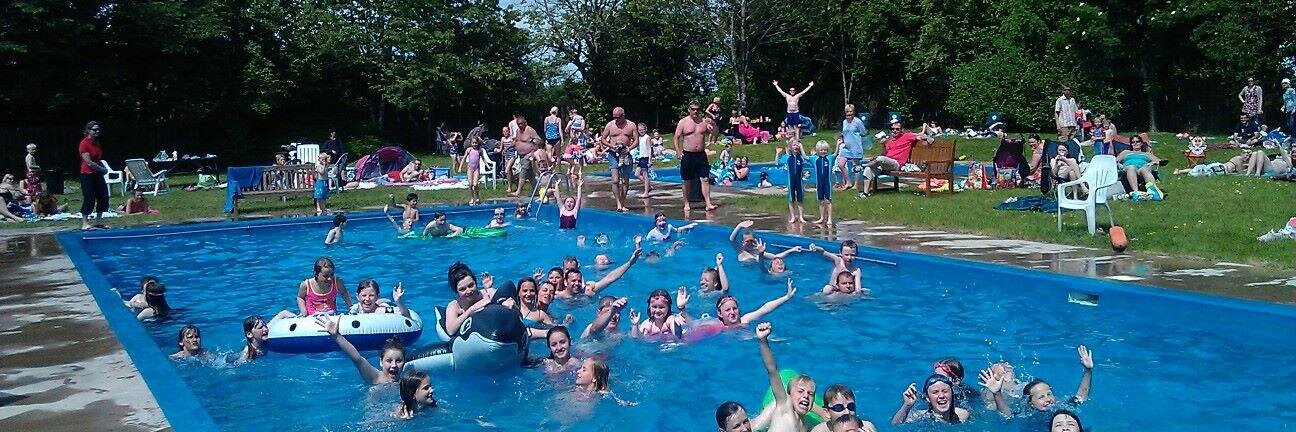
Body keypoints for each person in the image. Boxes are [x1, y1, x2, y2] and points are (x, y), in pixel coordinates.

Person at [753, 322, 815, 432]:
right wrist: (763, 341)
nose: (806, 395)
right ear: (789, 394)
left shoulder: (806, 427)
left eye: (810, 394)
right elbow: (772, 370)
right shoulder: (785, 406)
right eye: (800, 391)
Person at [316, 315, 407, 385]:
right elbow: (357, 359)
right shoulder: (375, 377)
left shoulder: (407, 382)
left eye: (398, 361)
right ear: (381, 362)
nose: (394, 365)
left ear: (404, 362)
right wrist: (336, 336)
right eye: (389, 360)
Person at [1018, 345, 1095, 414]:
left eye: (1049, 394)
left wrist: (1088, 370)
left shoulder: (1061, 408)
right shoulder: (1024, 416)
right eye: (1041, 397)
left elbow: (1081, 396)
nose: (1048, 399)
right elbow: (1007, 414)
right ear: (1031, 403)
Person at [859, 121, 925, 197]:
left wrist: (927, 139)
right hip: (886, 163)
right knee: (868, 169)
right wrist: (884, 145)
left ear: (901, 130)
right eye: (893, 129)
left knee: (879, 159)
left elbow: (920, 136)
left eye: (897, 129)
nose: (894, 131)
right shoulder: (890, 140)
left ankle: (862, 166)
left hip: (897, 164)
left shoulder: (907, 136)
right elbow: (884, 154)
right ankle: (865, 193)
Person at [674, 101, 720, 212]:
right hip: (688, 154)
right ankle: (686, 203)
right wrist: (679, 152)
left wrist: (713, 124)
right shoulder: (683, 122)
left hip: (700, 154)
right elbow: (676, 137)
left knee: (705, 178)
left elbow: (715, 134)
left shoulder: (703, 122)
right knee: (687, 180)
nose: (695, 111)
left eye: (697, 109)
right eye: (693, 109)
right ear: (689, 109)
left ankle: (708, 203)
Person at [715, 278, 796, 327]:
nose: (732, 312)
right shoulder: (718, 327)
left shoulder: (745, 320)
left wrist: (786, 297)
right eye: (727, 310)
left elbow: (765, 309)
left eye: (734, 308)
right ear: (720, 313)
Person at [891, 374, 970, 424]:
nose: (941, 395)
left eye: (945, 391)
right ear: (927, 398)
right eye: (935, 392)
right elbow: (895, 425)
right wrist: (907, 405)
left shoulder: (962, 415)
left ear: (952, 394)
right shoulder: (919, 416)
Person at [601, 108, 638, 212]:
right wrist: (611, 146)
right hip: (613, 154)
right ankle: (618, 203)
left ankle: (623, 202)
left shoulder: (631, 125)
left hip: (625, 154)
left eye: (618, 117)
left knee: (625, 180)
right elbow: (603, 139)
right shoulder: (610, 125)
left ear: (623, 115)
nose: (616, 120)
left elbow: (636, 140)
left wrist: (629, 148)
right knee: (615, 180)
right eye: (614, 117)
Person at [77, 121, 111, 230]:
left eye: (98, 129)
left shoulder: (96, 142)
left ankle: (99, 221)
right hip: (87, 174)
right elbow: (89, 162)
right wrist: (103, 170)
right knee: (89, 197)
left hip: (97, 174)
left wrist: (100, 168)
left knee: (103, 196)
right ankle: (85, 223)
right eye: (94, 129)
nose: (97, 131)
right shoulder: (84, 143)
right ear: (88, 131)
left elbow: (97, 159)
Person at [810, 385, 877, 432]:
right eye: (839, 408)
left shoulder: (867, 427)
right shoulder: (819, 430)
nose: (847, 412)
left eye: (851, 406)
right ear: (827, 412)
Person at [509, 114, 543, 198]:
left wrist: (533, 147)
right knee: (530, 175)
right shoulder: (517, 131)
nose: (520, 125)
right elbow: (517, 141)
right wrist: (507, 148)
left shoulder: (530, 130)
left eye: (521, 124)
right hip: (521, 155)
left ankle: (518, 191)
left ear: (525, 123)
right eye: (518, 124)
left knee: (523, 172)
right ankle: (536, 191)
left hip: (529, 155)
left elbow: (539, 141)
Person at [778, 139, 808, 224]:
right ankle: (793, 216)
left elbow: (807, 160)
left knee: (800, 199)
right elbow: (777, 162)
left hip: (799, 181)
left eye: (797, 145)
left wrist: (802, 148)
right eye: (794, 145)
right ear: (790, 147)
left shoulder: (801, 158)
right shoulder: (787, 158)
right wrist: (778, 154)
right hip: (790, 181)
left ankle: (801, 216)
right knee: (791, 199)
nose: (796, 146)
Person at [839, 105, 868, 191]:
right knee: (841, 164)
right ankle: (848, 182)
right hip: (846, 146)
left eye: (851, 111)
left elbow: (864, 132)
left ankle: (856, 184)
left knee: (856, 166)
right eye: (847, 112)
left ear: (854, 112)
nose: (849, 113)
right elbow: (844, 132)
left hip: (855, 146)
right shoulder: (844, 122)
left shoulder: (857, 121)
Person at [811, 140, 834, 225]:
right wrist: (801, 147)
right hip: (819, 183)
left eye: (825, 150)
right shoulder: (815, 159)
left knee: (828, 200)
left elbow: (836, 154)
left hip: (827, 183)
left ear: (827, 150)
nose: (823, 152)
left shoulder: (830, 158)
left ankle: (830, 218)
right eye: (821, 150)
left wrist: (838, 145)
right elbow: (805, 157)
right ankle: (821, 217)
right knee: (821, 200)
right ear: (817, 151)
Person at [635, 122, 653, 197]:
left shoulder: (647, 137)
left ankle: (646, 192)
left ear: (645, 129)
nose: (641, 131)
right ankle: (648, 186)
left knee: (645, 175)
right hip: (641, 157)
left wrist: (649, 160)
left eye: (643, 130)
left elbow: (649, 149)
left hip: (645, 158)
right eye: (639, 130)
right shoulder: (639, 138)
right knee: (637, 174)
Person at [465, 137, 484, 205]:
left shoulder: (479, 150)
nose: (474, 144)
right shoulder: (469, 150)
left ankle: (478, 196)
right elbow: (464, 157)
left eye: (476, 143)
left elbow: (483, 159)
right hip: (470, 169)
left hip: (476, 169)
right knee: (470, 184)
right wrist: (460, 167)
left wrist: (487, 165)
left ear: (478, 143)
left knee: (475, 184)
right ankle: (472, 198)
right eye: (473, 143)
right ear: (471, 143)